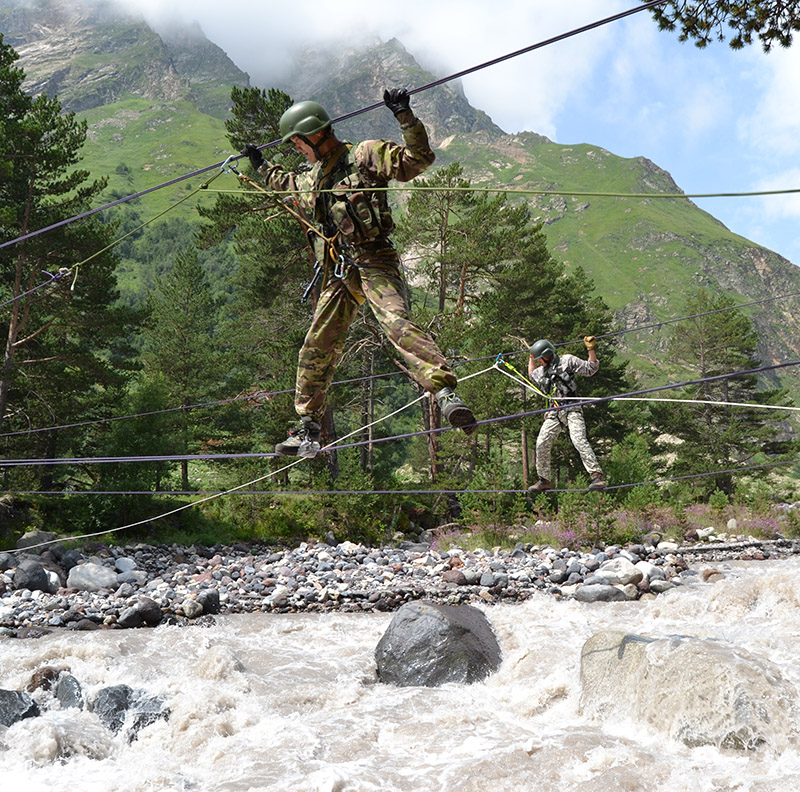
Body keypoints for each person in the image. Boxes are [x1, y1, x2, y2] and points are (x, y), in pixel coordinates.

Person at [241, 88, 476, 458]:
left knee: (395, 322)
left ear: (314, 134)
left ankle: (445, 392)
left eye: (298, 143)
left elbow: (418, 159)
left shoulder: (364, 155)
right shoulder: (313, 178)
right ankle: (308, 429)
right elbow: (286, 184)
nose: (297, 150)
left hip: (374, 259)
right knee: (317, 344)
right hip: (340, 270)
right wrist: (260, 165)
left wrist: (405, 117)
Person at [526, 336, 606, 492]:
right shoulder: (543, 371)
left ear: (548, 355)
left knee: (578, 440)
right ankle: (544, 480)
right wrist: (531, 357)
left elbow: (591, 368)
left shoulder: (567, 361)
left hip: (572, 408)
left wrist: (591, 349)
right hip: (555, 412)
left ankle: (597, 476)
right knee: (542, 442)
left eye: (540, 359)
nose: (539, 362)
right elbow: (531, 375)